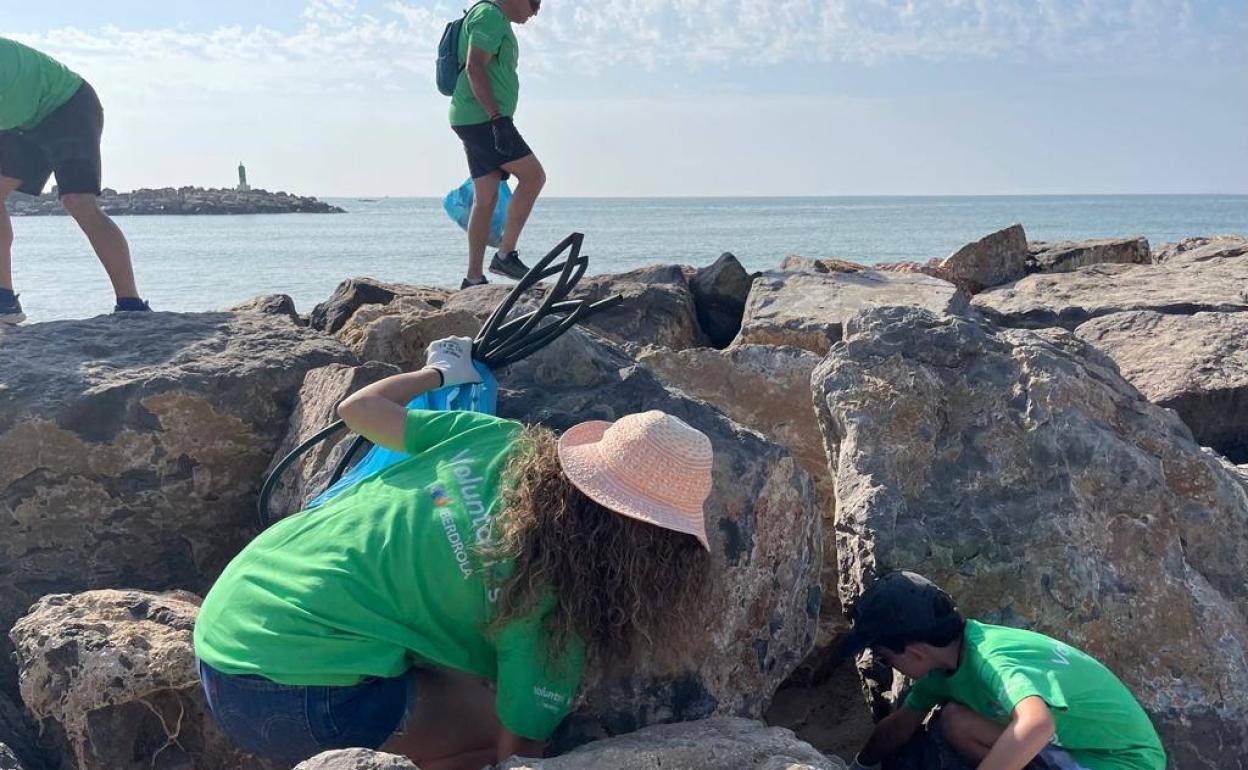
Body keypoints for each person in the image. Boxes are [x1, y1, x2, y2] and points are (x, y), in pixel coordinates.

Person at [193, 336, 712, 769]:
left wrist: (437, 374)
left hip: (223, 626)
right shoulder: (559, 608)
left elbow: (358, 410)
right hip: (293, 702)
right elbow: (520, 752)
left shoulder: (498, 437)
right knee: (494, 727)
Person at [839, 571, 1165, 770]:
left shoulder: (991, 657)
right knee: (955, 719)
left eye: (884, 657)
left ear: (914, 652)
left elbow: (1037, 724)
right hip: (1071, 750)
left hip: (1122, 760)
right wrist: (858, 765)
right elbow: (899, 725)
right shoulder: (946, 668)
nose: (889, 666)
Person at [0, 37, 148, 324]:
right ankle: (4, 301)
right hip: (22, 121)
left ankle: (131, 304)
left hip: (68, 105)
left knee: (79, 202)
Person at [448, 0, 545, 290]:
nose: (536, 11)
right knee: (533, 177)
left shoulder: (493, 18)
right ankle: (505, 254)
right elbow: (474, 67)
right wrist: (497, 119)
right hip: (484, 118)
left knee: (486, 197)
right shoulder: (490, 15)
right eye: (535, 2)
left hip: (473, 116)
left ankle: (473, 278)